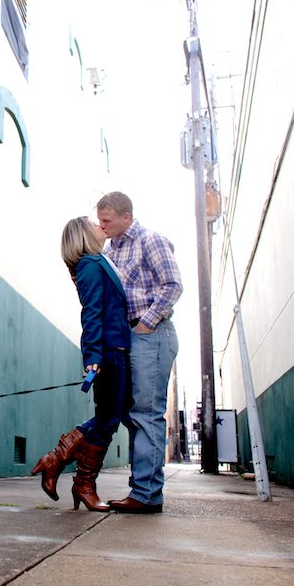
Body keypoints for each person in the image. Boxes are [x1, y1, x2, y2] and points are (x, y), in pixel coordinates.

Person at [31, 217, 131, 512]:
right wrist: (93, 358)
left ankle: (58, 462)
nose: (100, 225)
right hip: (108, 351)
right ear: (84, 235)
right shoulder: (89, 265)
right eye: (94, 223)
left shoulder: (99, 261)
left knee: (110, 417)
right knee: (108, 419)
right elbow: (91, 313)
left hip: (117, 349)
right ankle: (82, 482)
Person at [96, 191, 182, 514]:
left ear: (125, 218)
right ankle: (144, 489)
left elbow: (173, 284)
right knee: (133, 416)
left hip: (152, 335)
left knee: (146, 414)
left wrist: (145, 324)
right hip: (130, 338)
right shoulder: (111, 248)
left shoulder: (150, 240)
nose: (101, 225)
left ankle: (146, 495)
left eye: (106, 220)